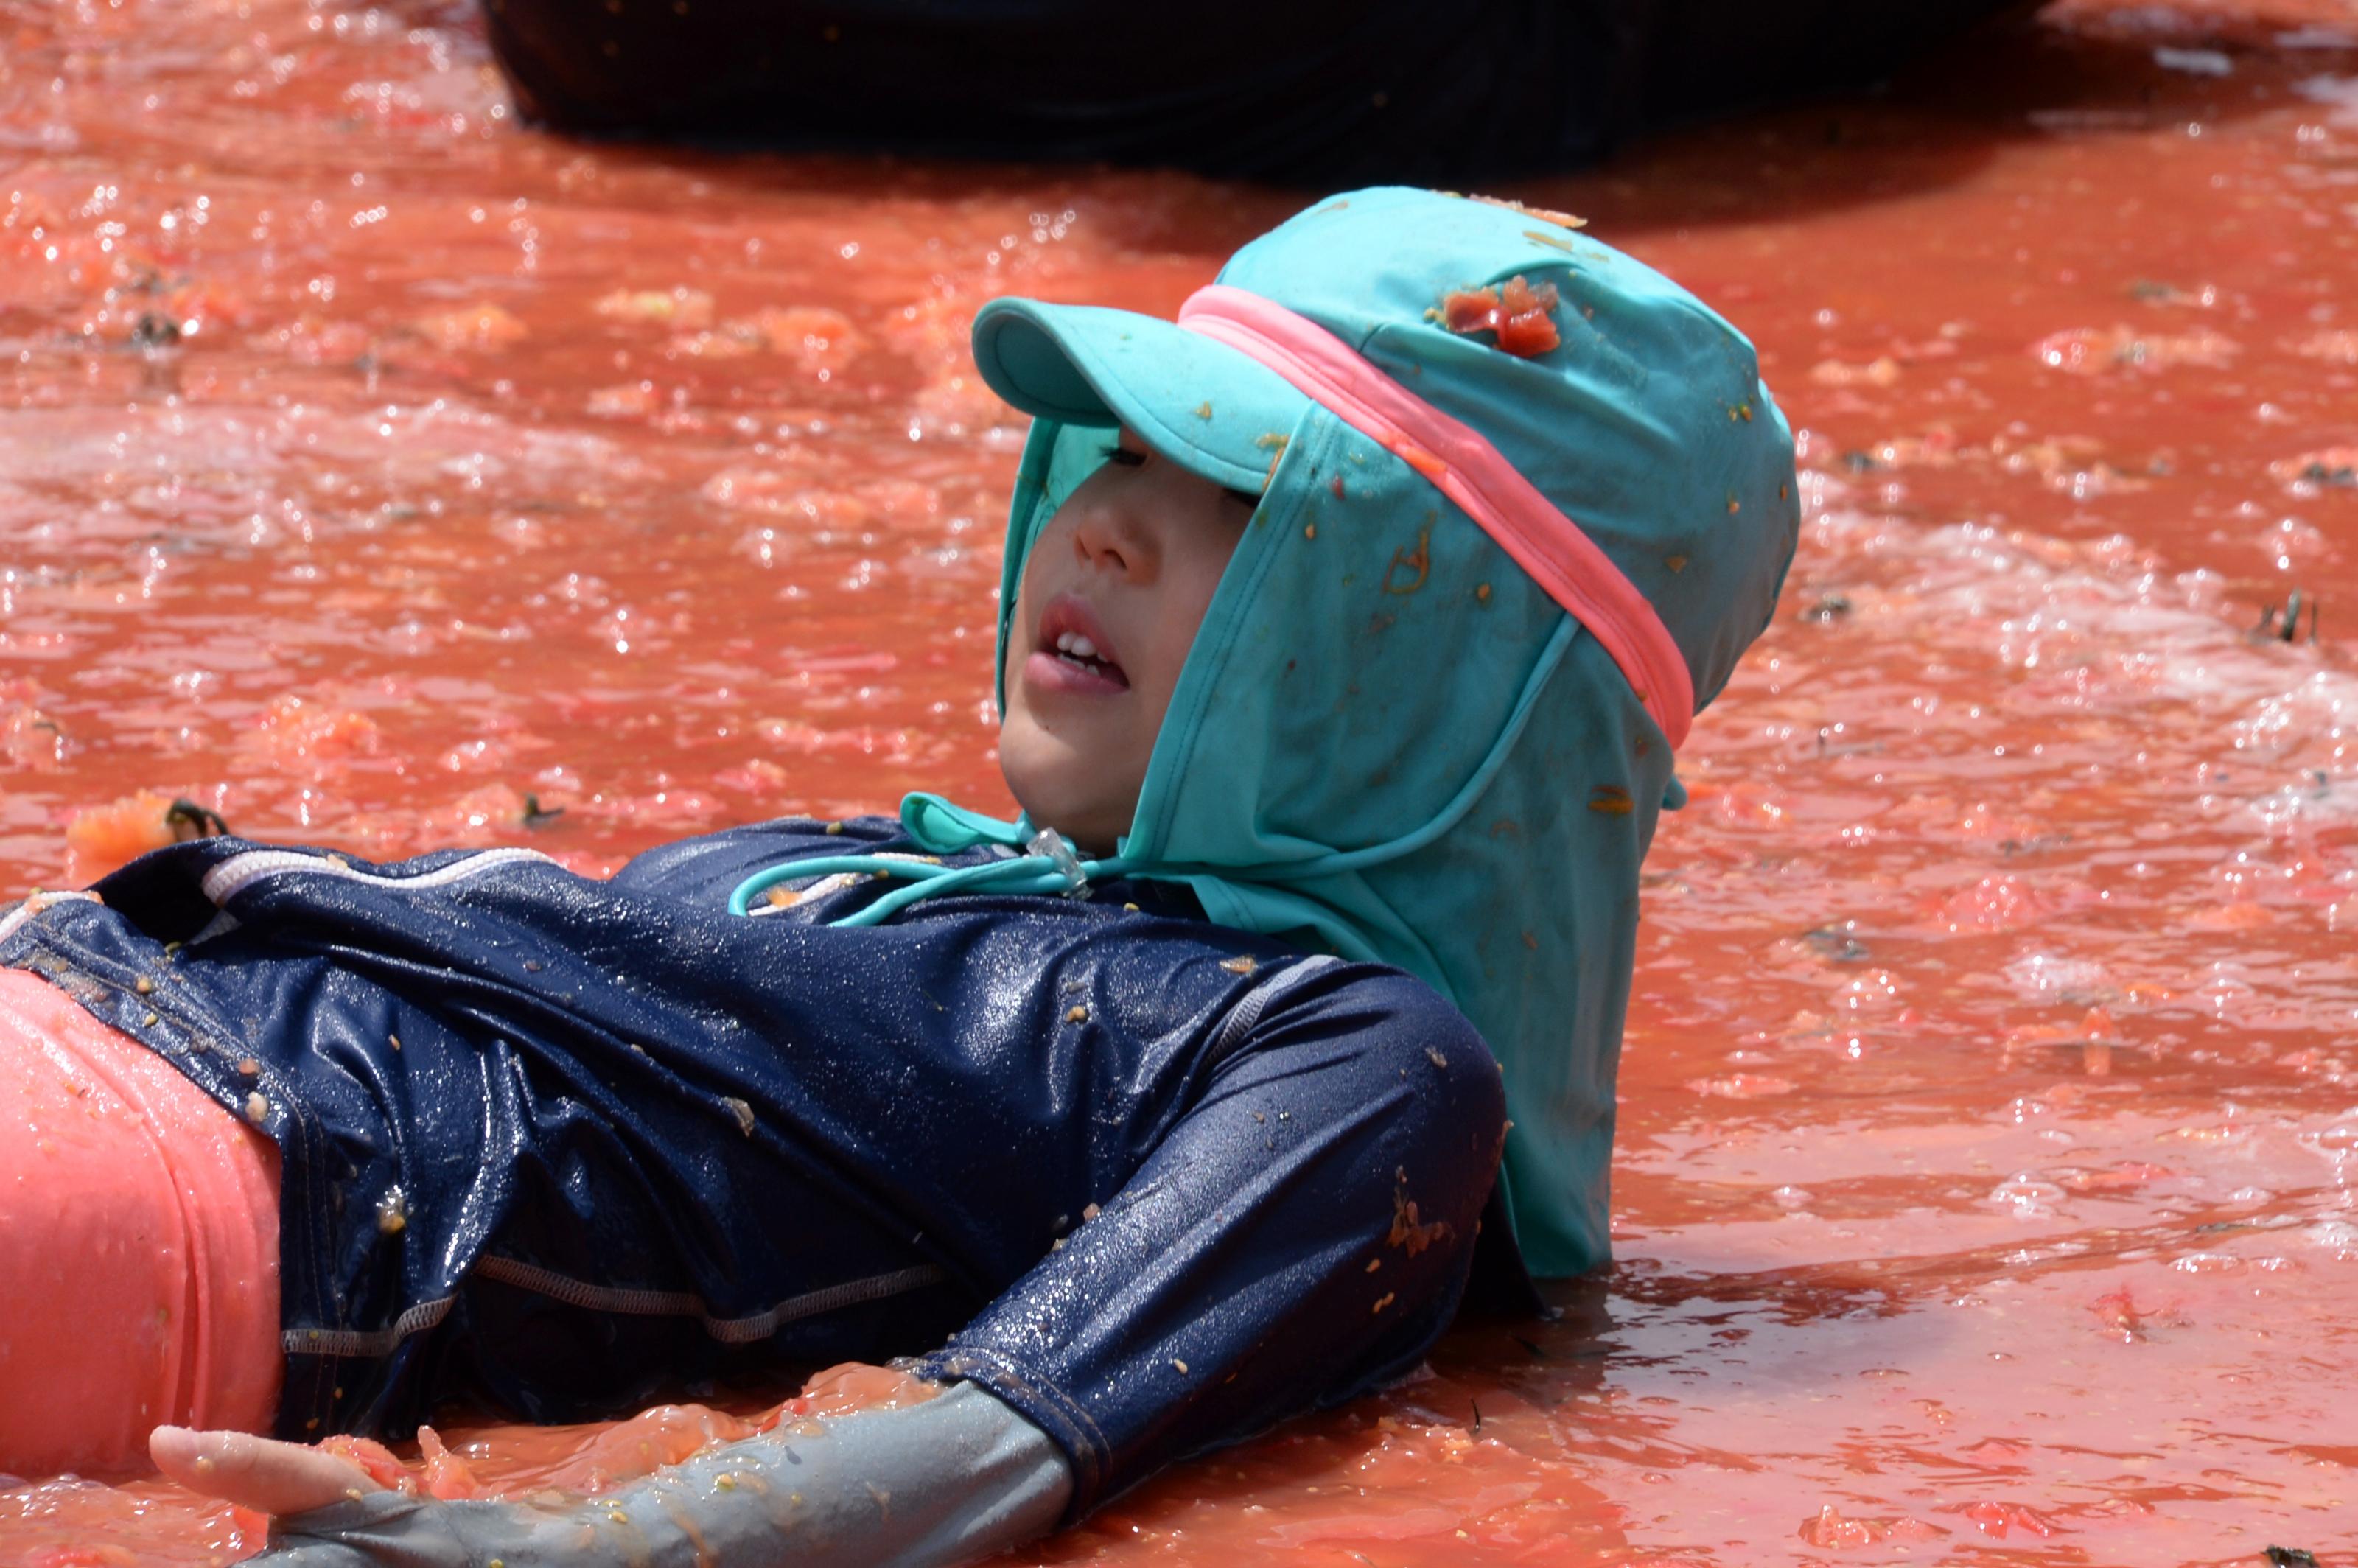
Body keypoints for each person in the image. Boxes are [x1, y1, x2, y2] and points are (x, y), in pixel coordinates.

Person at [0, 186, 1798, 1565]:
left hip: (216, 1187)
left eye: (1244, 498)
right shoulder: (895, 867)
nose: (1102, 519)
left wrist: (557, 1542)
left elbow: (1010, 1426)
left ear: (1459, 691)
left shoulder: (1363, 1066)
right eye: (1110, 445)